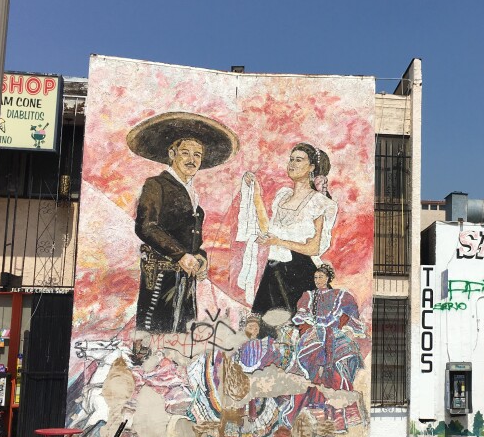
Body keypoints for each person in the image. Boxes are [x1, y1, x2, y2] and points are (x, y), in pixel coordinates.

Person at [126, 112, 238, 339]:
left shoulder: (192, 194)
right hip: (160, 275)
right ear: (172, 154)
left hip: (185, 277)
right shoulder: (156, 185)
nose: (192, 159)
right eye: (185, 153)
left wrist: (200, 256)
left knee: (182, 333)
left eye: (197, 155)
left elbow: (194, 240)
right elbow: (146, 227)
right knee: (157, 332)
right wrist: (180, 255)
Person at [240, 142, 338, 318]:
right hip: (274, 271)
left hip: (300, 272)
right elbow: (267, 229)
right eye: (291, 159)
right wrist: (256, 194)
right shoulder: (283, 196)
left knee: (296, 327)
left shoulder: (320, 202)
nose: (292, 164)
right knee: (265, 330)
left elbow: (313, 248)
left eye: (299, 160)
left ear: (312, 167)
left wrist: (278, 242)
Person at [291, 264, 365, 390]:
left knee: (348, 353)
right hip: (315, 332)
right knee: (308, 353)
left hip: (335, 332)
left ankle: (341, 388)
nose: (318, 280)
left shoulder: (340, 295)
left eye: (321, 277)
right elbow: (303, 317)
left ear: (327, 278)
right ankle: (315, 388)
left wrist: (344, 328)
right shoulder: (309, 296)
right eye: (315, 278)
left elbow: (350, 313)